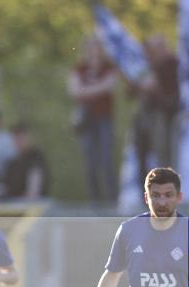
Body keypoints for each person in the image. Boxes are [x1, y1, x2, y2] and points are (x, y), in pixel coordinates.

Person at [68, 35, 119, 206]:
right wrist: (97, 89)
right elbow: (75, 90)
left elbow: (109, 85)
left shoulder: (109, 68)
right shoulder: (79, 69)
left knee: (106, 159)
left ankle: (112, 200)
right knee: (90, 160)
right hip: (87, 122)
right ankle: (95, 200)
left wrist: (87, 90)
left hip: (104, 119)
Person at [133, 35, 181, 183]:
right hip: (145, 114)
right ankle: (144, 189)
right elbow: (132, 89)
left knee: (162, 153)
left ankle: (165, 186)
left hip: (163, 116)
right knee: (141, 153)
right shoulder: (144, 66)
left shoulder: (171, 64)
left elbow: (164, 89)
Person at [4, 123, 50, 199]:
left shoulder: (36, 157)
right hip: (14, 204)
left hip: (34, 205)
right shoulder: (12, 163)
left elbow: (34, 190)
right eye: (16, 137)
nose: (18, 141)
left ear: (28, 137)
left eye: (21, 137)